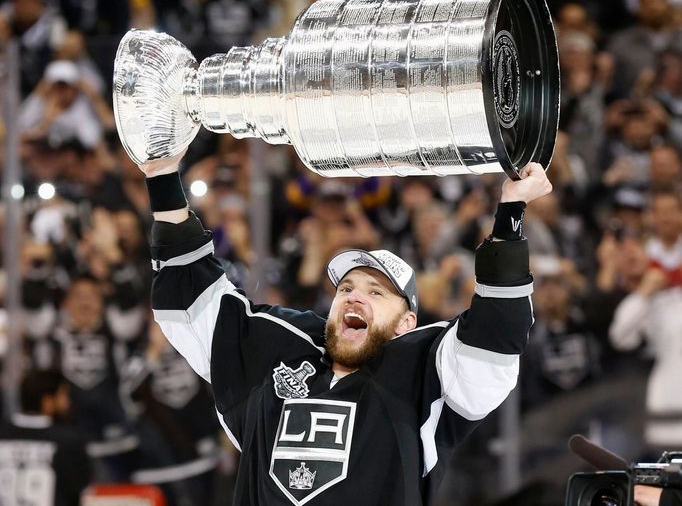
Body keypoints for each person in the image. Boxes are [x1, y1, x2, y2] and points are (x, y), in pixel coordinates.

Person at [137, 147, 552, 505]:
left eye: (376, 293)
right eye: (347, 288)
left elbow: (495, 336)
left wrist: (511, 212)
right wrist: (162, 175)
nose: (354, 296)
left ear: (405, 323)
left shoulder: (423, 377)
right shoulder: (276, 355)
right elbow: (191, 298)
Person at [0, 370, 92, 506]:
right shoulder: (69, 441)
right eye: (63, 395)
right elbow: (78, 493)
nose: (67, 402)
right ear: (47, 402)